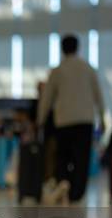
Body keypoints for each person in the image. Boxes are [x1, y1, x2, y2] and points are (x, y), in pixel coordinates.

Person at [37, 35, 105, 204]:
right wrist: (102, 118)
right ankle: (77, 193)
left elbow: (47, 98)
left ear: (62, 49)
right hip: (85, 120)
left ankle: (64, 183)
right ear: (78, 47)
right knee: (82, 158)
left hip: (64, 120)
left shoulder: (57, 70)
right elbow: (99, 96)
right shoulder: (88, 69)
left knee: (63, 156)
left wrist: (40, 119)